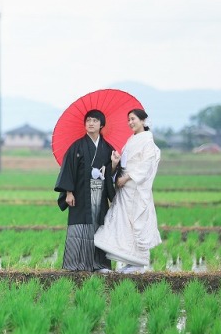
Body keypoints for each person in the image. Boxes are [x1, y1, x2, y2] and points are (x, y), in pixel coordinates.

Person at [94, 108, 162, 273]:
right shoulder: (131, 140)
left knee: (136, 223)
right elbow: (125, 163)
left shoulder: (147, 141)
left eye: (133, 119)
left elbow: (145, 166)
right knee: (123, 223)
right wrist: (116, 162)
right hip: (125, 190)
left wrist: (126, 178)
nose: (130, 122)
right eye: (129, 120)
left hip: (136, 189)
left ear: (143, 121)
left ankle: (138, 263)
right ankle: (130, 261)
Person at [54, 110, 118, 272]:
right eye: (88, 120)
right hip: (81, 194)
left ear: (101, 125)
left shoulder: (107, 148)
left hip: (100, 193)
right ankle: (76, 264)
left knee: (99, 226)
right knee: (79, 228)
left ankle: (100, 265)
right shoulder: (76, 146)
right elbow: (68, 170)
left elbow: (111, 173)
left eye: (95, 121)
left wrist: (113, 164)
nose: (91, 123)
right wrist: (68, 192)